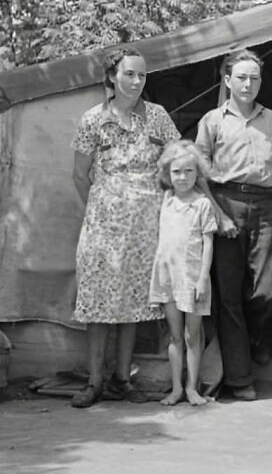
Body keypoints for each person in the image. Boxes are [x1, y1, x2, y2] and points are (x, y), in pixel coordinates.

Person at [70, 46, 180, 409]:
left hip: (145, 227)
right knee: (98, 305)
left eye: (142, 75)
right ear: (112, 77)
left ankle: (122, 379)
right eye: (129, 74)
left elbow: (178, 158)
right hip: (103, 228)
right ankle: (94, 381)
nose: (136, 81)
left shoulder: (158, 117)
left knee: (132, 305)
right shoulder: (92, 120)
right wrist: (106, 204)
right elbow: (79, 175)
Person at [196, 49, 272, 401]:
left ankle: (256, 335)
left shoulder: (271, 119)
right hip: (225, 201)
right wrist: (217, 214)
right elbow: (199, 171)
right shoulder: (212, 120)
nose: (248, 84)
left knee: (269, 289)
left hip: (264, 204)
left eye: (254, 78)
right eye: (242, 78)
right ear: (228, 81)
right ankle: (239, 378)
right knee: (229, 294)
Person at [149, 140, 218, 406]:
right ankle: (176, 387)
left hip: (192, 278)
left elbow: (208, 243)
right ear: (168, 174)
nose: (182, 177)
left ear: (197, 173)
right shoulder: (166, 200)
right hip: (168, 276)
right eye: (177, 171)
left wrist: (202, 278)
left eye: (189, 171)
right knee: (175, 335)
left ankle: (192, 388)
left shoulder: (201, 204)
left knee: (193, 335)